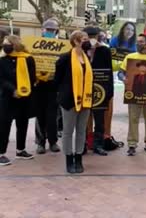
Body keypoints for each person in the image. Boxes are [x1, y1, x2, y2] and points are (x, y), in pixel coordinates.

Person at [118, 33, 146, 156]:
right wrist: (123, 78)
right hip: (133, 94)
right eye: (137, 41)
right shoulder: (130, 57)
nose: (138, 43)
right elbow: (120, 73)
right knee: (133, 119)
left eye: (141, 42)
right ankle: (132, 144)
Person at [54, 31, 93, 174]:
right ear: (76, 41)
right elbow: (57, 80)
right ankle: (69, 159)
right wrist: (61, 96)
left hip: (86, 100)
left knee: (81, 131)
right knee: (68, 131)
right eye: (84, 39)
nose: (87, 41)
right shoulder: (64, 58)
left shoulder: (87, 57)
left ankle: (79, 158)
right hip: (69, 100)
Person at [0, 35, 36, 166]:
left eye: (7, 43)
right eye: (4, 43)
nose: (5, 46)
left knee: (22, 123)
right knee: (4, 124)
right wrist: (13, 90)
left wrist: (24, 90)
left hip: (24, 97)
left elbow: (32, 78)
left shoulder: (28, 58)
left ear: (15, 44)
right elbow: (1, 79)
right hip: (7, 97)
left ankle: (20, 150)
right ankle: (1, 153)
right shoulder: (2, 59)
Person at [83, 26, 113, 156]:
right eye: (88, 37)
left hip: (100, 91)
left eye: (93, 36)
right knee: (83, 120)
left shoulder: (105, 50)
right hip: (83, 90)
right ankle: (82, 145)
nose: (91, 39)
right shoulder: (80, 51)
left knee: (99, 120)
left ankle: (98, 145)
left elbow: (109, 72)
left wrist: (109, 92)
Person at [35, 18, 61, 154]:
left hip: (53, 86)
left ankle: (53, 141)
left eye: (53, 30)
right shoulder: (35, 44)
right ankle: (40, 142)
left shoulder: (61, 46)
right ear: (43, 30)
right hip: (39, 84)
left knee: (53, 116)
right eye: (48, 29)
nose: (50, 32)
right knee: (39, 115)